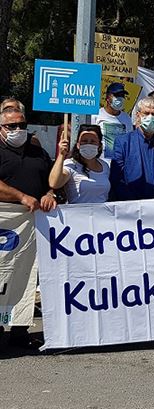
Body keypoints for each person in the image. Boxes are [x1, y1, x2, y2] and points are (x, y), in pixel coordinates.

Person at [0, 106, 56, 349]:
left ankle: (20, 330)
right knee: (3, 274)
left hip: (32, 224)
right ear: (1, 128)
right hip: (6, 225)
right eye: (11, 126)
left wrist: (50, 193)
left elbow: (51, 181)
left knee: (27, 274)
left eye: (21, 125)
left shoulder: (37, 152)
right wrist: (21, 197)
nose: (18, 130)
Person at [109, 96, 154, 201]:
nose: (150, 117)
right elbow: (116, 177)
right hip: (132, 207)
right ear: (138, 115)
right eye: (146, 113)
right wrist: (130, 202)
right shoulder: (123, 142)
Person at [49, 124, 110, 204]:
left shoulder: (105, 166)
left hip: (101, 215)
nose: (88, 144)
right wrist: (61, 155)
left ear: (99, 145)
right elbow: (54, 183)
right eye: (84, 141)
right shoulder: (71, 164)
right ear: (78, 145)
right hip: (78, 214)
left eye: (93, 141)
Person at [96, 82, 134, 159]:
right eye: (116, 95)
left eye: (122, 96)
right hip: (102, 163)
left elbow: (130, 142)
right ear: (107, 98)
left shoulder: (127, 118)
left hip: (121, 163)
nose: (120, 98)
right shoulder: (96, 115)